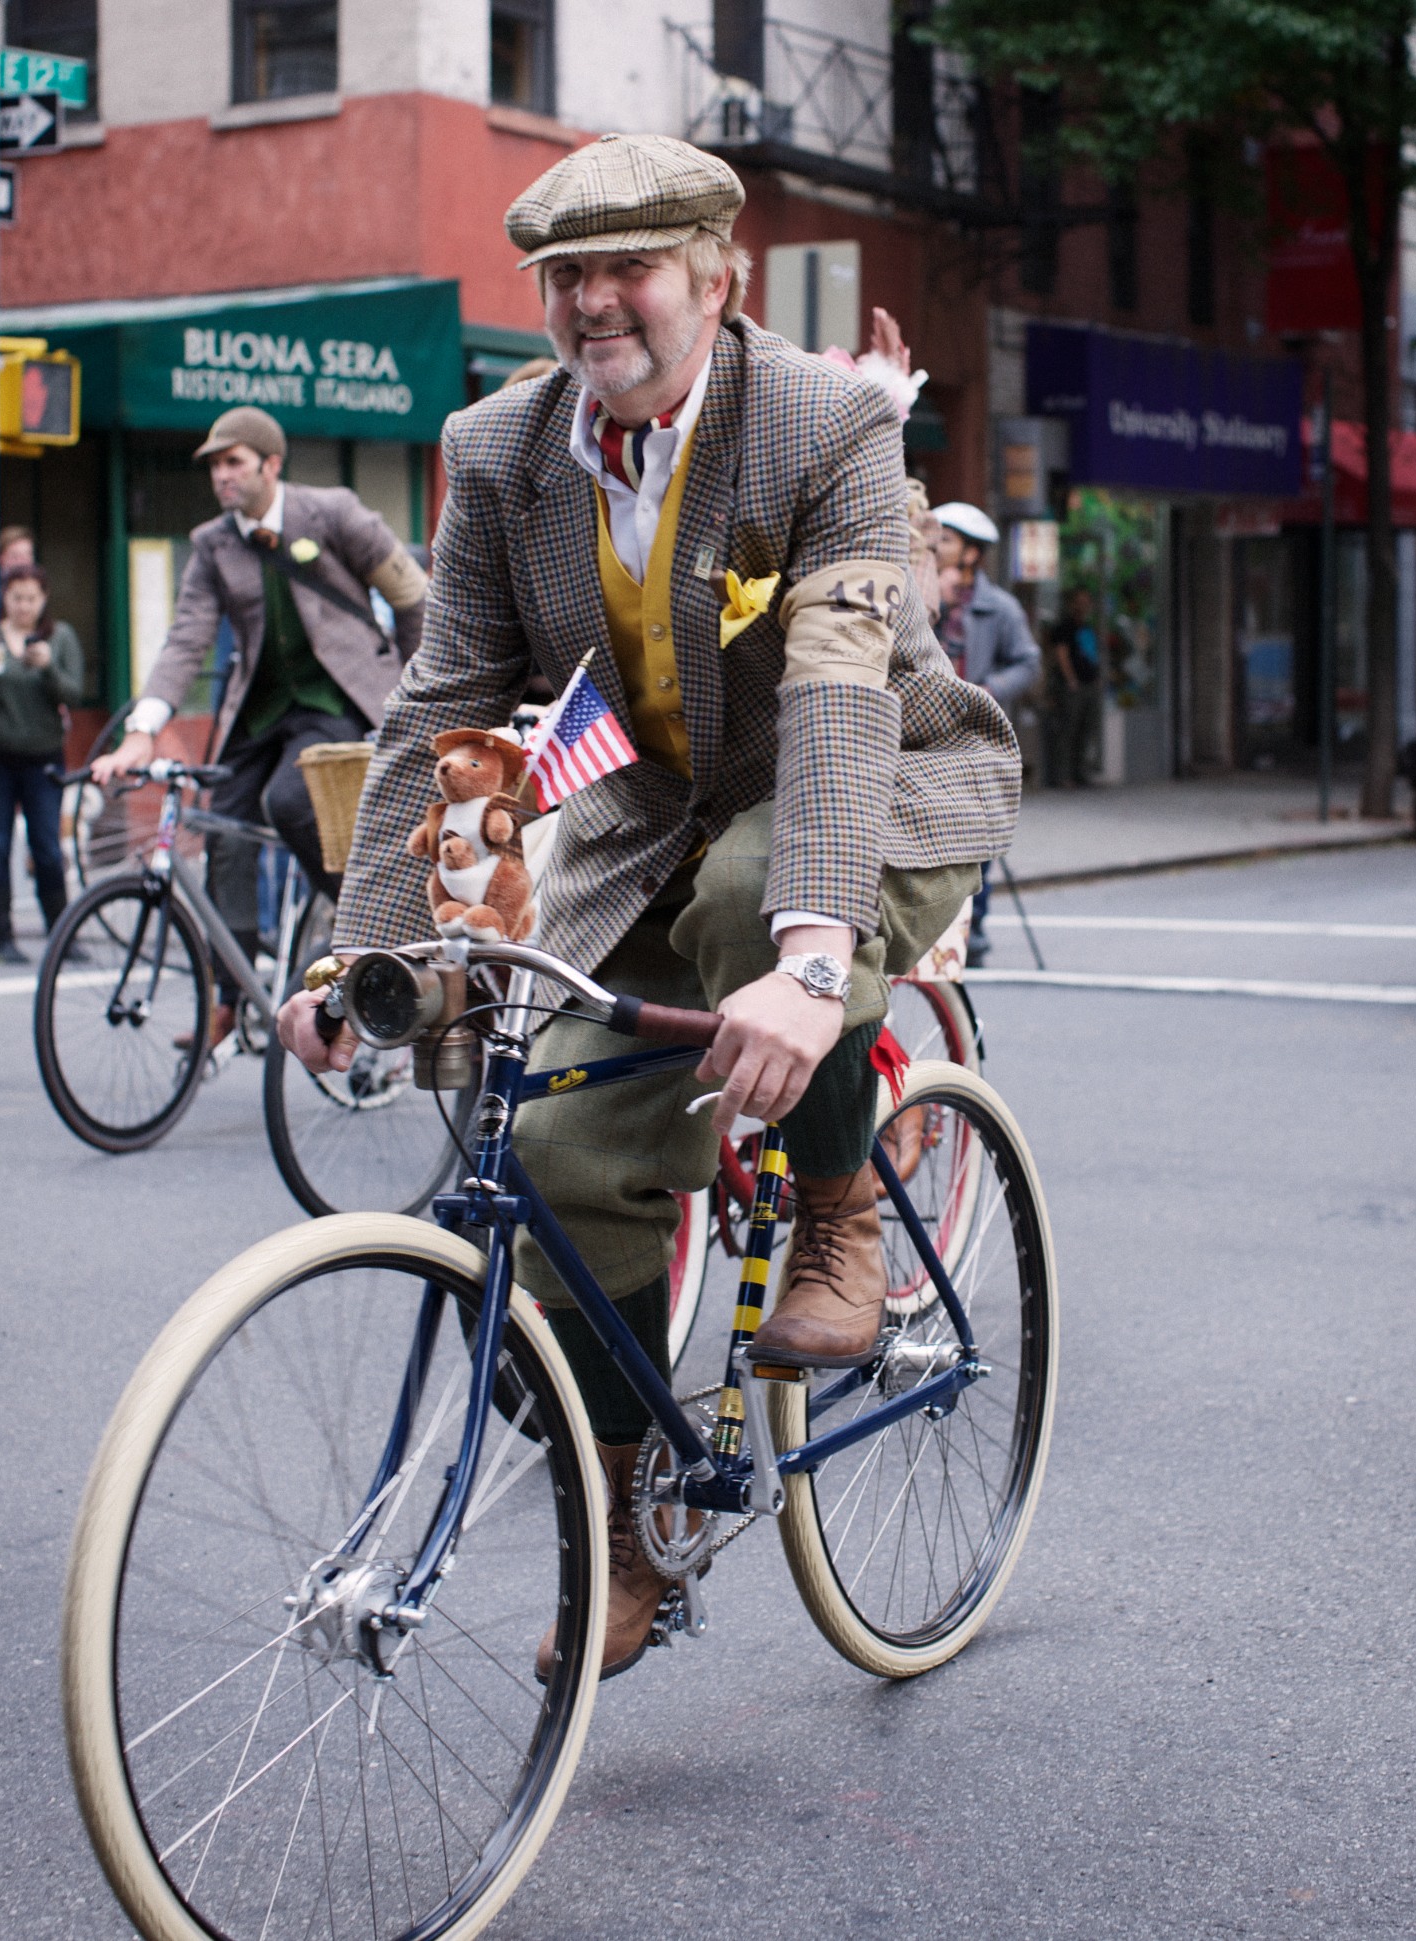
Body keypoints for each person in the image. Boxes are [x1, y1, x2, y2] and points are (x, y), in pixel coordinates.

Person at [279, 132, 1020, 1677]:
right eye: (565, 276)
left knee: (765, 895)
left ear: (714, 278)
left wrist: (815, 960)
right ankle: (622, 1534)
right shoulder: (500, 446)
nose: (593, 303)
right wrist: (379, 947)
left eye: (629, 270)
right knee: (548, 1152)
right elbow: (451, 707)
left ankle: (840, 1216)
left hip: (875, 790)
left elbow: (832, 699)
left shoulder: (821, 425)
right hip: (648, 817)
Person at [93, 406, 429, 1044]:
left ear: (271, 464)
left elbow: (412, 596)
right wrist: (143, 726)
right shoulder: (213, 544)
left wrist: (417, 691)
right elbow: (185, 639)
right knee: (222, 827)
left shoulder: (332, 514)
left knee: (289, 801)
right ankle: (231, 991)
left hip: (334, 703)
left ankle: (371, 932)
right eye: (215, 465)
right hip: (260, 711)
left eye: (234, 462)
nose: (222, 475)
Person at [930, 502, 1041, 967]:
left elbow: (1028, 662)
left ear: (971, 553)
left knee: (979, 840)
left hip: (976, 740)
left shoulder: (1001, 607)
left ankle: (973, 931)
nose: (936, 545)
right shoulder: (918, 588)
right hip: (928, 738)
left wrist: (988, 691)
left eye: (947, 539)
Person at [0, 564, 82, 962]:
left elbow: (74, 693)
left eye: (31, 598)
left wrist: (47, 668)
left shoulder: (58, 638)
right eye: (16, 597)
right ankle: (2, 937)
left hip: (44, 759)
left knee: (46, 846)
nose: (24, 605)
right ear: (5, 598)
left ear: (43, 599)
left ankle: (61, 933)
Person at [1047, 585, 1102, 786]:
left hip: (1089, 685)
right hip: (1072, 687)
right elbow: (1061, 655)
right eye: (1080, 602)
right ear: (1071, 604)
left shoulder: (1088, 628)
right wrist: (1071, 680)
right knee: (1068, 730)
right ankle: (1064, 776)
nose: (1084, 606)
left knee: (1085, 731)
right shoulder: (1064, 627)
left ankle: (1080, 772)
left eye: (1087, 602)